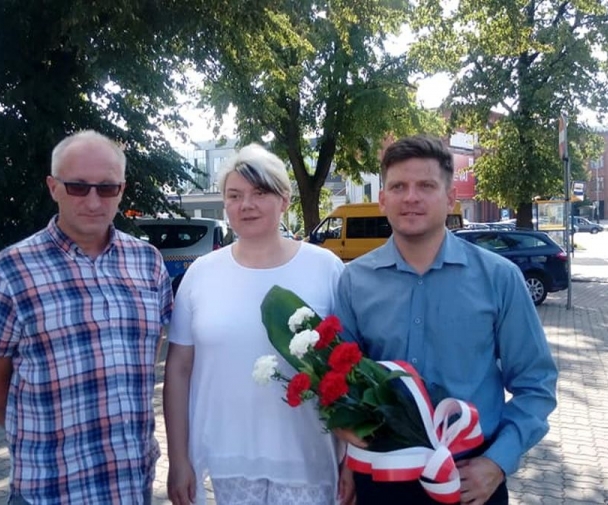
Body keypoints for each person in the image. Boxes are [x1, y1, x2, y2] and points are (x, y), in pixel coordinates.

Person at [334, 134, 558, 505]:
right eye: (399, 187)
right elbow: (339, 381)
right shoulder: (354, 281)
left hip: (471, 480)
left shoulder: (499, 278)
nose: (411, 197)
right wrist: (348, 448)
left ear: (450, 197)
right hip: (381, 478)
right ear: (383, 199)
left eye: (426, 186)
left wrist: (498, 462)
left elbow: (536, 384)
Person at [0, 130, 173, 505]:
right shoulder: (11, 269)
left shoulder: (147, 261)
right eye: (77, 187)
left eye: (106, 188)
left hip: (130, 482)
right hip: (51, 488)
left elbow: (148, 353)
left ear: (122, 190)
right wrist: (40, 436)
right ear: (53, 187)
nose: (93, 201)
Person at [163, 144, 351, 505]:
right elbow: (179, 370)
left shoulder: (325, 268)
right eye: (234, 195)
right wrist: (178, 458)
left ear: (285, 200)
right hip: (230, 458)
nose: (246, 204)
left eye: (260, 192)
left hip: (308, 456)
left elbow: (348, 367)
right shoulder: (201, 274)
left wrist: (354, 459)